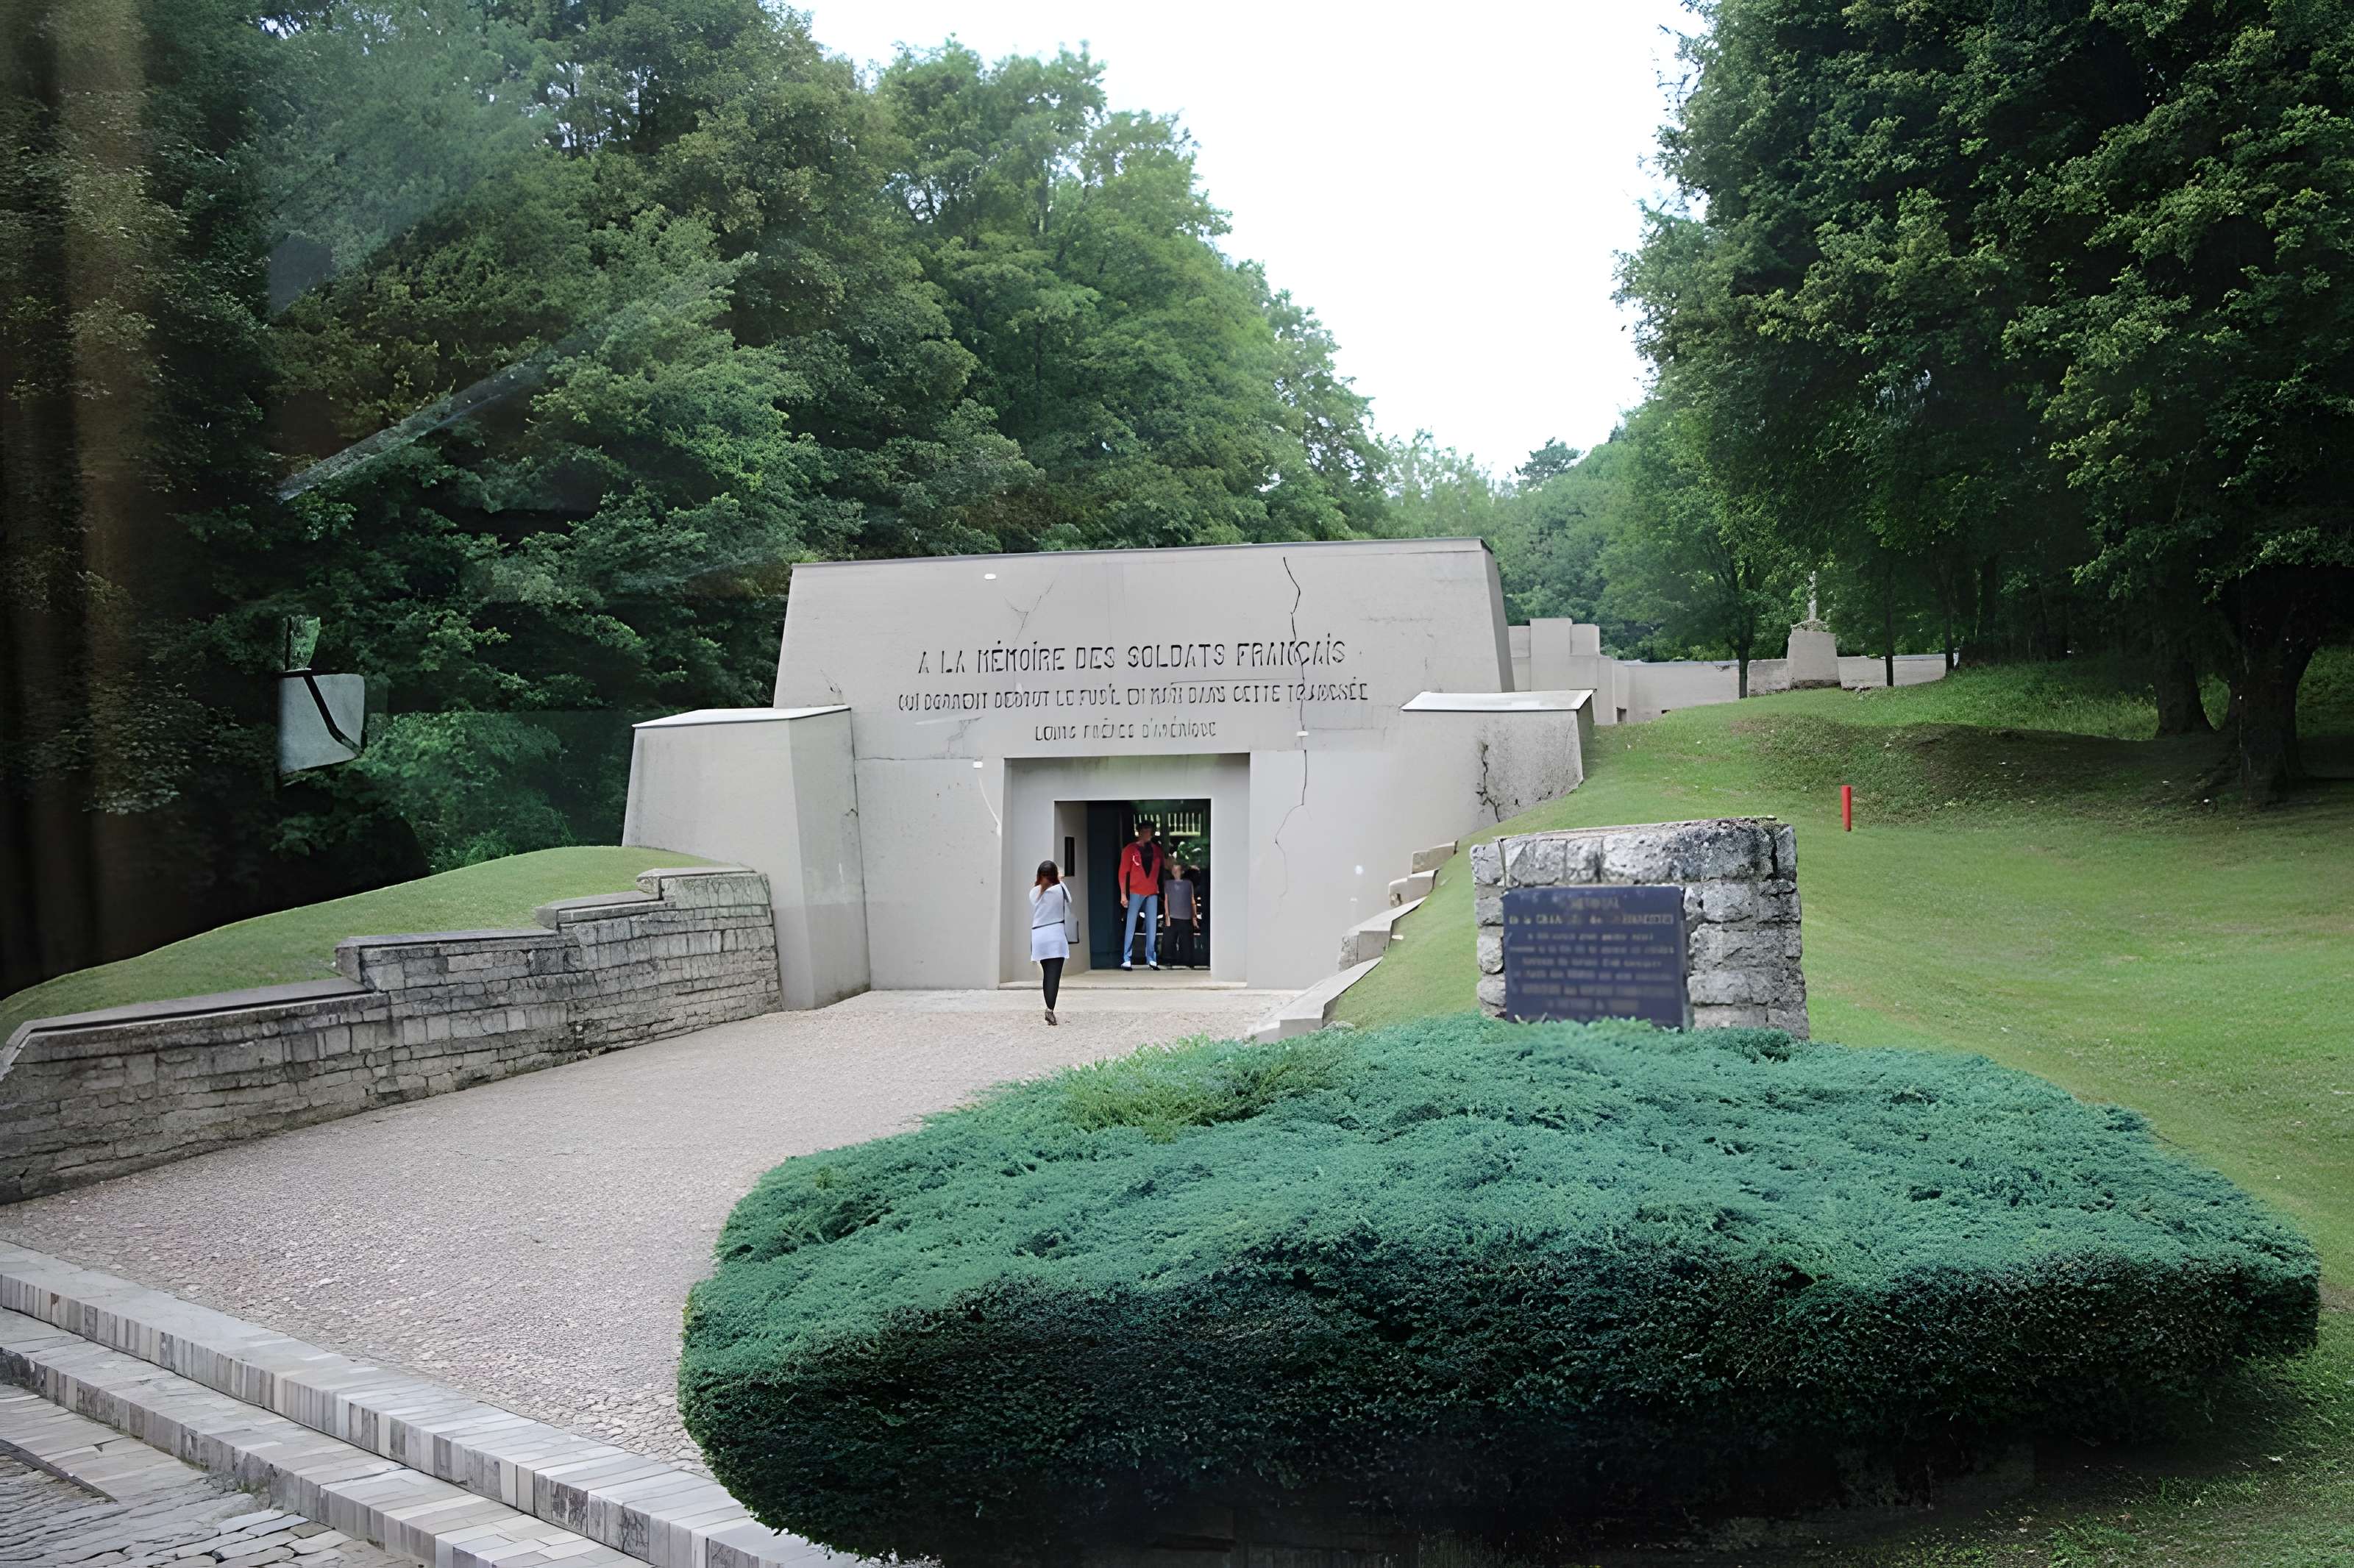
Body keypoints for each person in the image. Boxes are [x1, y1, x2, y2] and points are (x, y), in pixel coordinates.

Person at [1029, 859, 1074, 1024]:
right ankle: (1049, 1010)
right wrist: (1059, 880)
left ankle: (1049, 1008)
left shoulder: (1034, 892)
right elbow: (1070, 900)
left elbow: (1039, 893)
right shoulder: (1060, 889)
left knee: (1047, 974)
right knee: (1053, 976)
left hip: (1039, 936)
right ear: (1055, 875)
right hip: (1055, 936)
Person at [1117, 819, 1163, 969]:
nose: (1146, 833)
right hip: (1135, 890)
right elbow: (1123, 872)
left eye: (1149, 831)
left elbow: (1162, 870)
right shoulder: (1130, 849)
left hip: (1152, 891)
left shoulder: (1157, 850)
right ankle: (1127, 957)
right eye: (1144, 830)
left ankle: (1151, 957)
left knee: (1152, 925)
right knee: (1131, 924)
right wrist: (1123, 894)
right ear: (1139, 832)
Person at [1163, 860, 1199, 969]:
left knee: (1187, 941)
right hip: (1173, 916)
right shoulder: (1168, 883)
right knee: (1169, 940)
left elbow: (1192, 900)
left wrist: (1194, 917)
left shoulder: (1188, 883)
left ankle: (1189, 962)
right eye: (1173, 870)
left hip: (1186, 916)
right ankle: (1168, 961)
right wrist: (1167, 916)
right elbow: (1166, 900)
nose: (1175, 872)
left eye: (1177, 870)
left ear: (1182, 871)